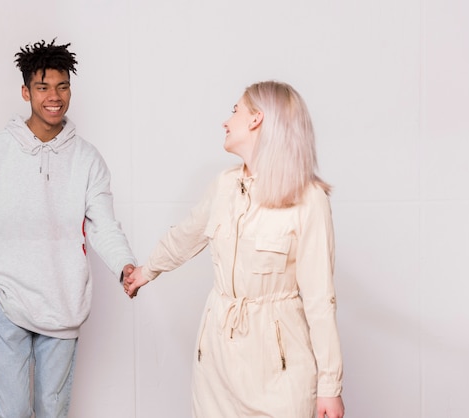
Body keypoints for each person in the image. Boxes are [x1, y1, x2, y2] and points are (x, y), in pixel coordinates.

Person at [124, 81, 345, 418]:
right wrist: (146, 270)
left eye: (235, 111)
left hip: (279, 367)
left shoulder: (309, 199)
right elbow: (187, 235)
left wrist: (330, 386)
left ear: (257, 119)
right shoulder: (224, 185)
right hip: (216, 361)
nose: (226, 121)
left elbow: (319, 298)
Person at [0, 39, 136, 418]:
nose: (54, 96)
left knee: (52, 413)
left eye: (62, 86)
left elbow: (103, 225)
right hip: (7, 300)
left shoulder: (87, 159)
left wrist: (125, 265)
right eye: (43, 87)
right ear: (26, 92)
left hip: (63, 305)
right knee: (14, 411)